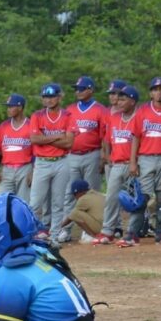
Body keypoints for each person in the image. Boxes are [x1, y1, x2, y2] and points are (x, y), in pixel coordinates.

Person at [123, 76, 161, 246]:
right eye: (155, 89)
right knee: (142, 197)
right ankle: (133, 233)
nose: (159, 92)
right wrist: (133, 162)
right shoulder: (142, 111)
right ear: (151, 93)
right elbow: (135, 137)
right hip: (146, 157)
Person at [60, 76, 107, 243]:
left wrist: (103, 155)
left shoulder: (100, 110)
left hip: (92, 153)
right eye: (76, 89)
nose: (78, 92)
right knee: (68, 193)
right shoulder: (70, 109)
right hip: (72, 154)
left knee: (91, 193)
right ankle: (65, 230)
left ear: (91, 90)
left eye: (82, 88)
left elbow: (104, 135)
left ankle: (89, 231)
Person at [29, 83, 76, 243]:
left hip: (61, 161)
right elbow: (34, 139)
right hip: (42, 162)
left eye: (52, 96)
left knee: (58, 203)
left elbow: (69, 143)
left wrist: (45, 139)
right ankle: (31, 235)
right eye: (45, 97)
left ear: (59, 97)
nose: (48, 100)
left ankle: (54, 237)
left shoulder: (67, 116)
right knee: (35, 203)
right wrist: (58, 137)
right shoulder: (37, 116)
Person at [97, 85, 140, 244]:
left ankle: (134, 231)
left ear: (133, 101)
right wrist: (108, 157)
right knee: (112, 198)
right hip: (117, 163)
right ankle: (108, 230)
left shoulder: (139, 117)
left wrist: (136, 162)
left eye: (123, 99)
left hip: (133, 164)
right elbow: (108, 139)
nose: (119, 102)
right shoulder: (114, 118)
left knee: (135, 200)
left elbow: (141, 141)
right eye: (118, 99)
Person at [0, 93, 33, 202]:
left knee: (23, 202)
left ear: (20, 108)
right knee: (2, 202)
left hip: (25, 168)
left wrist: (33, 172)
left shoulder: (31, 125)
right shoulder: (3, 126)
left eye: (11, 107)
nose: (8, 109)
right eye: (8, 107)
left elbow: (36, 152)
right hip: (7, 169)